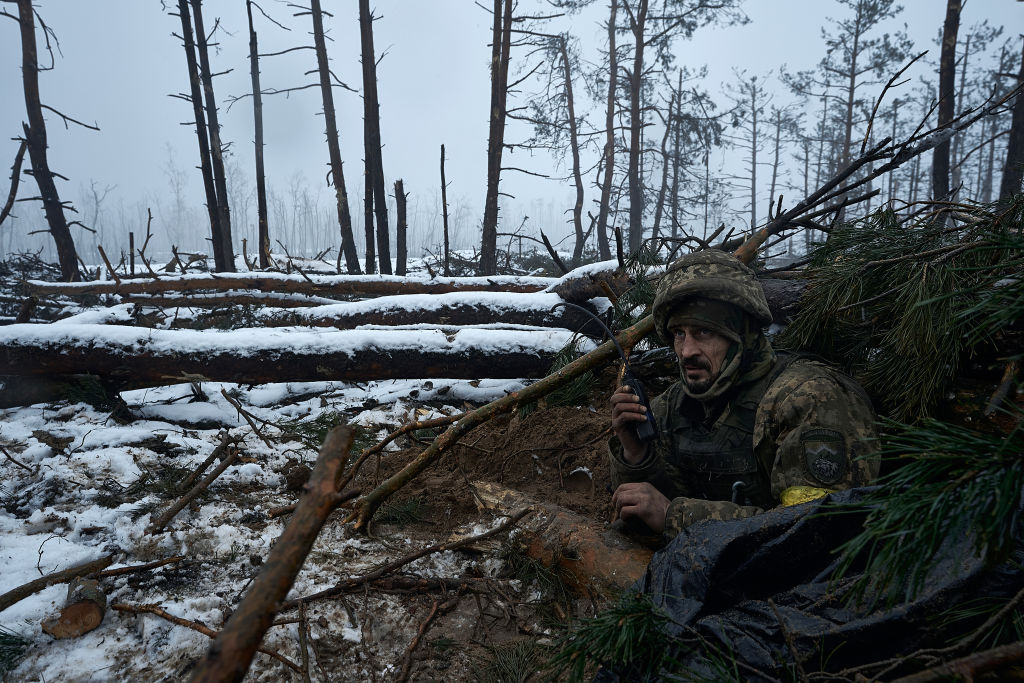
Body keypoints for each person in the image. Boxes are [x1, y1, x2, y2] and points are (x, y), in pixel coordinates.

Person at [608, 249, 879, 540]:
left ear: (743, 335)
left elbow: (815, 532)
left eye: (703, 332)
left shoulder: (809, 399)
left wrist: (674, 516)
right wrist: (637, 456)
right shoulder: (671, 407)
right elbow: (648, 514)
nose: (686, 351)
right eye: (679, 333)